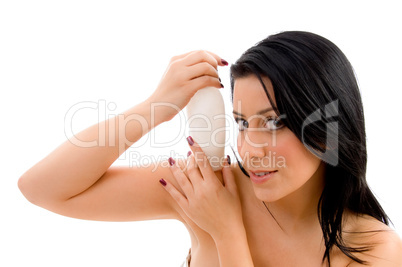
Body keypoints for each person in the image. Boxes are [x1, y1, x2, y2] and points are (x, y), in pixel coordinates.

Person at [18, 31, 402, 266]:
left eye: (274, 122)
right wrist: (157, 107)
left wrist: (227, 232)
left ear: (328, 130)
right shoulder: (208, 186)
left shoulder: (374, 251)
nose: (249, 151)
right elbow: (41, 188)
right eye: (241, 122)